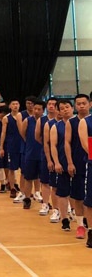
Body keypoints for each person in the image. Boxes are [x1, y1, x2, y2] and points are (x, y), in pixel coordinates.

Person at [65, 94, 89, 239]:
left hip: (90, 162)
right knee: (78, 195)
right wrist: (69, 162)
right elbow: (67, 143)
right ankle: (80, 225)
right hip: (78, 162)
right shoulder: (71, 122)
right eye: (78, 103)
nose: (81, 106)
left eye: (84, 103)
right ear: (75, 106)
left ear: (89, 104)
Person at [50, 99, 74, 231]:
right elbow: (53, 146)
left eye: (67, 107)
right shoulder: (56, 126)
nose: (65, 110)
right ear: (59, 111)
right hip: (63, 164)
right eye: (62, 108)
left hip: (79, 163)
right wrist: (56, 162)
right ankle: (64, 219)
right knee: (63, 192)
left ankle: (80, 216)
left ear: (72, 108)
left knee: (79, 192)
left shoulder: (80, 123)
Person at [20, 100, 44, 210]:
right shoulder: (27, 120)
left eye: (39, 109)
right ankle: (27, 199)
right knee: (28, 177)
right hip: (30, 153)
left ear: (43, 111)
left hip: (43, 154)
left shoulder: (46, 121)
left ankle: (41, 196)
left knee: (43, 179)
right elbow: (22, 133)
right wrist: (30, 143)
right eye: (35, 109)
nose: (36, 111)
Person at [36, 97, 58, 216]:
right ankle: (45, 204)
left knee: (57, 183)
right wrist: (47, 147)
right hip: (46, 155)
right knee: (45, 180)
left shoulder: (64, 122)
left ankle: (60, 208)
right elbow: (38, 137)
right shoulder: (43, 121)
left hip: (60, 155)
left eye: (54, 104)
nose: (51, 106)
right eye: (49, 104)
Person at [0, 99, 23, 198]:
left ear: (19, 105)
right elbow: (3, 133)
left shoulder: (23, 116)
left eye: (17, 104)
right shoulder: (6, 118)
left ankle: (24, 190)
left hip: (22, 145)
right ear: (10, 106)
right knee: (12, 168)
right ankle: (12, 188)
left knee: (24, 169)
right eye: (13, 104)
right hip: (12, 146)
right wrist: (1, 147)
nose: (15, 105)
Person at [77, 100, 92, 247]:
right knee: (90, 200)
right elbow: (85, 144)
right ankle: (91, 232)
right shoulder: (85, 122)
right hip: (91, 164)